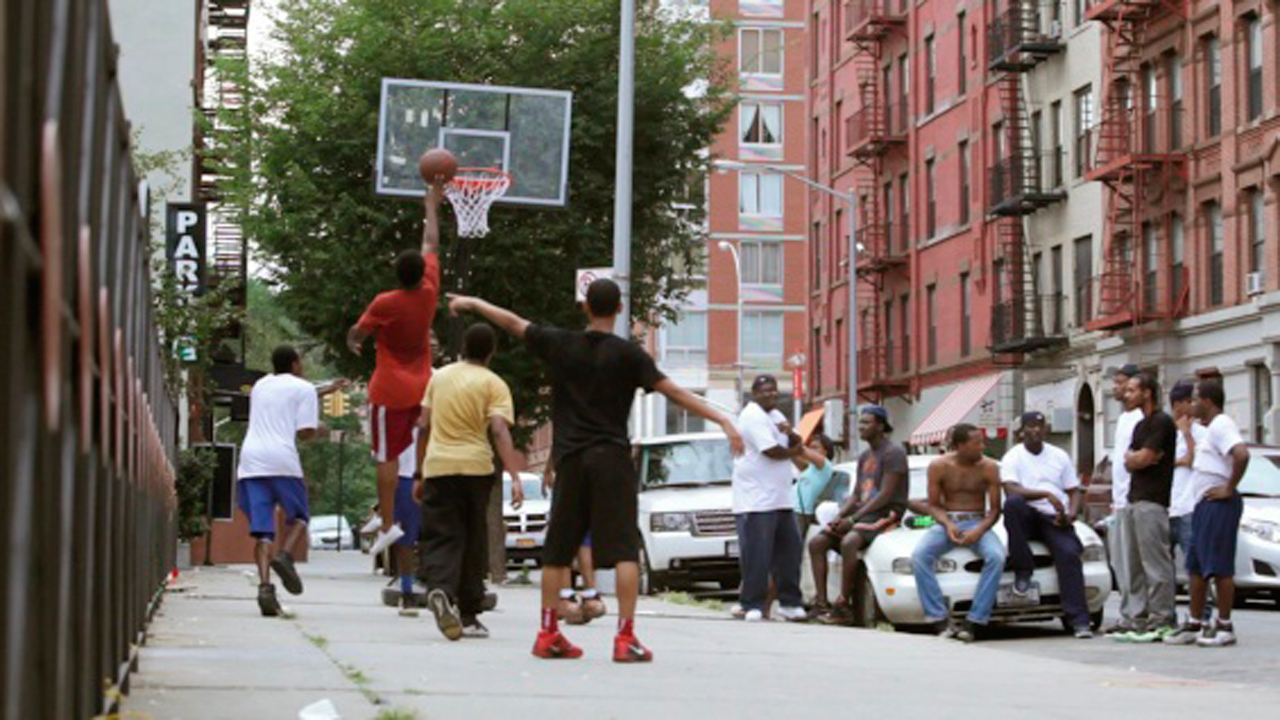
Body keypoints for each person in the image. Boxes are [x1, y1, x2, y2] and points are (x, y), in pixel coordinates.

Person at [449, 279, 744, 662]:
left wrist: (474, 301)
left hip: (571, 460)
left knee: (557, 550)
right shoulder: (629, 355)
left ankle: (547, 633)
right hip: (611, 459)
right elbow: (675, 392)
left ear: (585, 307)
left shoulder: (561, 344)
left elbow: (514, 323)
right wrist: (722, 420)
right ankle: (625, 639)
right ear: (619, 310)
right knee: (623, 550)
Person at [347, 184, 443, 557]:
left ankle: (387, 525)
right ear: (422, 273)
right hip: (421, 387)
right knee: (406, 451)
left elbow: (359, 331)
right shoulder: (430, 293)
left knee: (385, 457)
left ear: (395, 273)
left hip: (388, 391)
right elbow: (431, 242)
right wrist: (430, 205)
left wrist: (352, 340)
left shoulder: (385, 302)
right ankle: (381, 516)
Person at [415, 323, 522, 641]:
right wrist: (514, 475)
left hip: (438, 467)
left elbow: (422, 426)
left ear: (463, 346)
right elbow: (500, 430)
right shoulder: (494, 383)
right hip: (476, 468)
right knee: (474, 538)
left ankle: (440, 591)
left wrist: (420, 472)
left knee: (441, 535)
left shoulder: (440, 378)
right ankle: (469, 614)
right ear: (491, 351)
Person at [235, 345, 322, 617]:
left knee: (262, 532)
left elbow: (284, 398)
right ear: (295, 364)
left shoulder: (261, 385)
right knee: (299, 516)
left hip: (251, 461)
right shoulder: (305, 388)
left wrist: (324, 391)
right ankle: (285, 555)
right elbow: (305, 432)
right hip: (282, 460)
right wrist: (319, 429)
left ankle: (264, 587)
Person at [1164, 379, 1250, 648]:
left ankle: (1224, 625)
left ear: (1209, 402)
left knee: (1219, 566)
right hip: (1201, 504)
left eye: (1196, 398)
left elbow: (1242, 454)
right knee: (1196, 566)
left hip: (1219, 504)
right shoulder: (1208, 429)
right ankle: (1195, 622)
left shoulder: (1222, 424)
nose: (1192, 404)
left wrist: (1229, 487)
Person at [807, 405, 907, 624]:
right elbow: (855, 495)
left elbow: (885, 494)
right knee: (817, 542)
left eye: (866, 423)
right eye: (860, 423)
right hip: (864, 514)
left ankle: (843, 605)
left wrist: (852, 520)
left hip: (886, 513)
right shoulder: (864, 456)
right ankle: (822, 604)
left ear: (881, 426)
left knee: (850, 541)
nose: (860, 427)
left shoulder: (894, 453)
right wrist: (839, 516)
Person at [1001, 411, 1092, 638]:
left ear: (1046, 430)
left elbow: (1073, 490)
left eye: (1040, 426)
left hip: (1053, 517)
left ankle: (1079, 621)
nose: (1036, 431)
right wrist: (1044, 494)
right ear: (1022, 431)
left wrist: (1071, 514)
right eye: (1031, 426)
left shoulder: (1059, 455)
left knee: (1069, 553)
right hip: (1028, 515)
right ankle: (1023, 569)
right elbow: (1010, 489)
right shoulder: (1013, 456)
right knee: (1012, 504)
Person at [912, 424, 1005, 642]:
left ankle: (975, 620)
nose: (982, 447)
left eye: (982, 442)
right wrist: (947, 524)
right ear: (961, 445)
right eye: (977, 443)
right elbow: (934, 506)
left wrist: (978, 531)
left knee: (997, 557)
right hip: (949, 520)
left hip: (977, 520)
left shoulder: (989, 467)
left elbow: (995, 510)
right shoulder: (939, 466)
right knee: (919, 556)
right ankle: (938, 618)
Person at [732, 375, 807, 623]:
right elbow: (772, 451)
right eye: (764, 391)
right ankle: (751, 603)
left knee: (789, 552)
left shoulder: (776, 416)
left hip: (781, 496)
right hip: (756, 499)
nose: (770, 395)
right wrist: (795, 451)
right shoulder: (752, 416)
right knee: (757, 555)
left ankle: (790, 603)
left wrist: (791, 434)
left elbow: (797, 440)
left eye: (773, 391)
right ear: (754, 393)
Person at [1116, 372, 1178, 641]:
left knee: (1155, 562)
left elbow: (1145, 457)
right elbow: (1130, 460)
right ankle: (1136, 618)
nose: (1126, 395)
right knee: (1134, 565)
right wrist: (1136, 458)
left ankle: (1162, 617)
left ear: (1147, 393)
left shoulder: (1162, 422)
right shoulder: (1140, 426)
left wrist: (1141, 458)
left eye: (1131, 390)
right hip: (1133, 499)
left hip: (1153, 500)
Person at [1105, 363, 1147, 635]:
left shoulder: (1142, 419)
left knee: (1135, 563)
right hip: (1120, 501)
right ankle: (1127, 613)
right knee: (1121, 563)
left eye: (1122, 383)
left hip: (1135, 501)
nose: (1116, 388)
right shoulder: (1123, 419)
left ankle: (1138, 616)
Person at [543, 464, 608, 625]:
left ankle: (566, 597)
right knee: (584, 538)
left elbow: (558, 442)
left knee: (564, 537)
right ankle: (591, 594)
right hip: (591, 475)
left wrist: (547, 469)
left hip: (568, 474)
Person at [1167, 380, 1202, 589]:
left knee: (1195, 565)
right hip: (1167, 506)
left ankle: (1200, 615)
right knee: (1164, 566)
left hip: (1189, 507)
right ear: (1178, 404)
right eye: (1190, 401)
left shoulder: (1200, 432)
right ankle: (1166, 616)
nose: (1194, 406)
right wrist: (1179, 460)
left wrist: (1187, 433)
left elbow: (1193, 460)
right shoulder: (1165, 430)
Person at [391, 431, 424, 617]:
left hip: (441, 468)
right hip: (406, 474)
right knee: (406, 536)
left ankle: (446, 588)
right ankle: (407, 590)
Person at [793, 433, 847, 537]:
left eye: (815, 447)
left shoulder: (825, 466)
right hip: (792, 509)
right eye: (810, 447)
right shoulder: (810, 468)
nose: (811, 450)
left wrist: (791, 440)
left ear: (826, 451)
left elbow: (801, 451)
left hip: (800, 512)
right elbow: (793, 456)